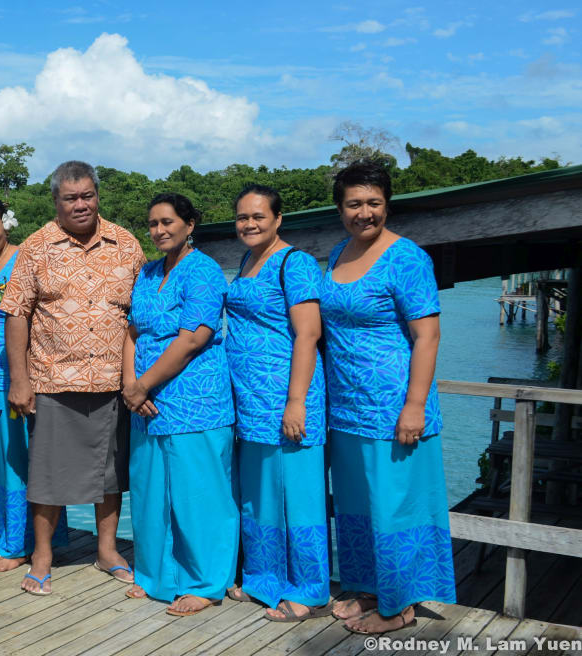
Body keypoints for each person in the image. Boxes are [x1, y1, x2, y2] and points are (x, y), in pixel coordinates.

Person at [320, 161, 455, 635]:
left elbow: (428, 336)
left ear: (387, 205)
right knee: (359, 506)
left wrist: (415, 406)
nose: (364, 213)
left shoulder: (407, 258)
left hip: (393, 407)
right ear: (340, 209)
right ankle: (370, 590)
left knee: (396, 507)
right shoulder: (338, 252)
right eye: (354, 204)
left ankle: (400, 605)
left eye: (373, 203)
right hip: (347, 408)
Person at [1, 160, 146, 595]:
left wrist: (137, 378)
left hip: (112, 381)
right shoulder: (35, 247)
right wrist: (20, 380)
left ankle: (106, 551)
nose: (80, 204)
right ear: (56, 201)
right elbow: (17, 315)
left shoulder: (126, 243)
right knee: (48, 475)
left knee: (111, 474)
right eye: (71, 198)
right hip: (51, 380)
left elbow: (142, 314)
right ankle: (42, 556)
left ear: (97, 195)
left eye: (87, 195)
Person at [121, 194, 236, 617]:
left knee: (198, 494)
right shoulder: (149, 273)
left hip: (195, 400)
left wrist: (143, 385)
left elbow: (193, 339)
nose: (159, 230)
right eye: (152, 224)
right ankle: (156, 575)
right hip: (146, 403)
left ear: (190, 225)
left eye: (168, 222)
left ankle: (205, 582)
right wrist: (129, 384)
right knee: (152, 492)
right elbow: (131, 332)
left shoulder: (204, 271)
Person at [224, 185, 331, 621]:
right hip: (250, 401)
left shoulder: (296, 262)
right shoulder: (248, 261)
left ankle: (308, 591)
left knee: (300, 497)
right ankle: (263, 580)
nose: (249, 224)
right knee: (260, 497)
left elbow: (308, 334)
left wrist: (296, 401)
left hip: (288, 397)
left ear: (278, 218)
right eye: (243, 217)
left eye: (258, 217)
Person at [0, 197, 67, 573]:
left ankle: (20, 544)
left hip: (14, 376)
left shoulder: (25, 260)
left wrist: (26, 378)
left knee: (17, 461)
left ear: (6, 224)